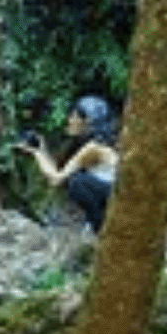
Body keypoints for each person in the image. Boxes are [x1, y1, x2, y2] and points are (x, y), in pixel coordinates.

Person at [18, 95, 120, 233]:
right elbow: (59, 173)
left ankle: (99, 227)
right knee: (76, 179)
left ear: (88, 120)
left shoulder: (93, 149)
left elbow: (56, 179)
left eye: (74, 116)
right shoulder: (100, 144)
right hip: (112, 195)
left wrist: (36, 153)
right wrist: (42, 151)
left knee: (77, 182)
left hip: (115, 198)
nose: (69, 120)